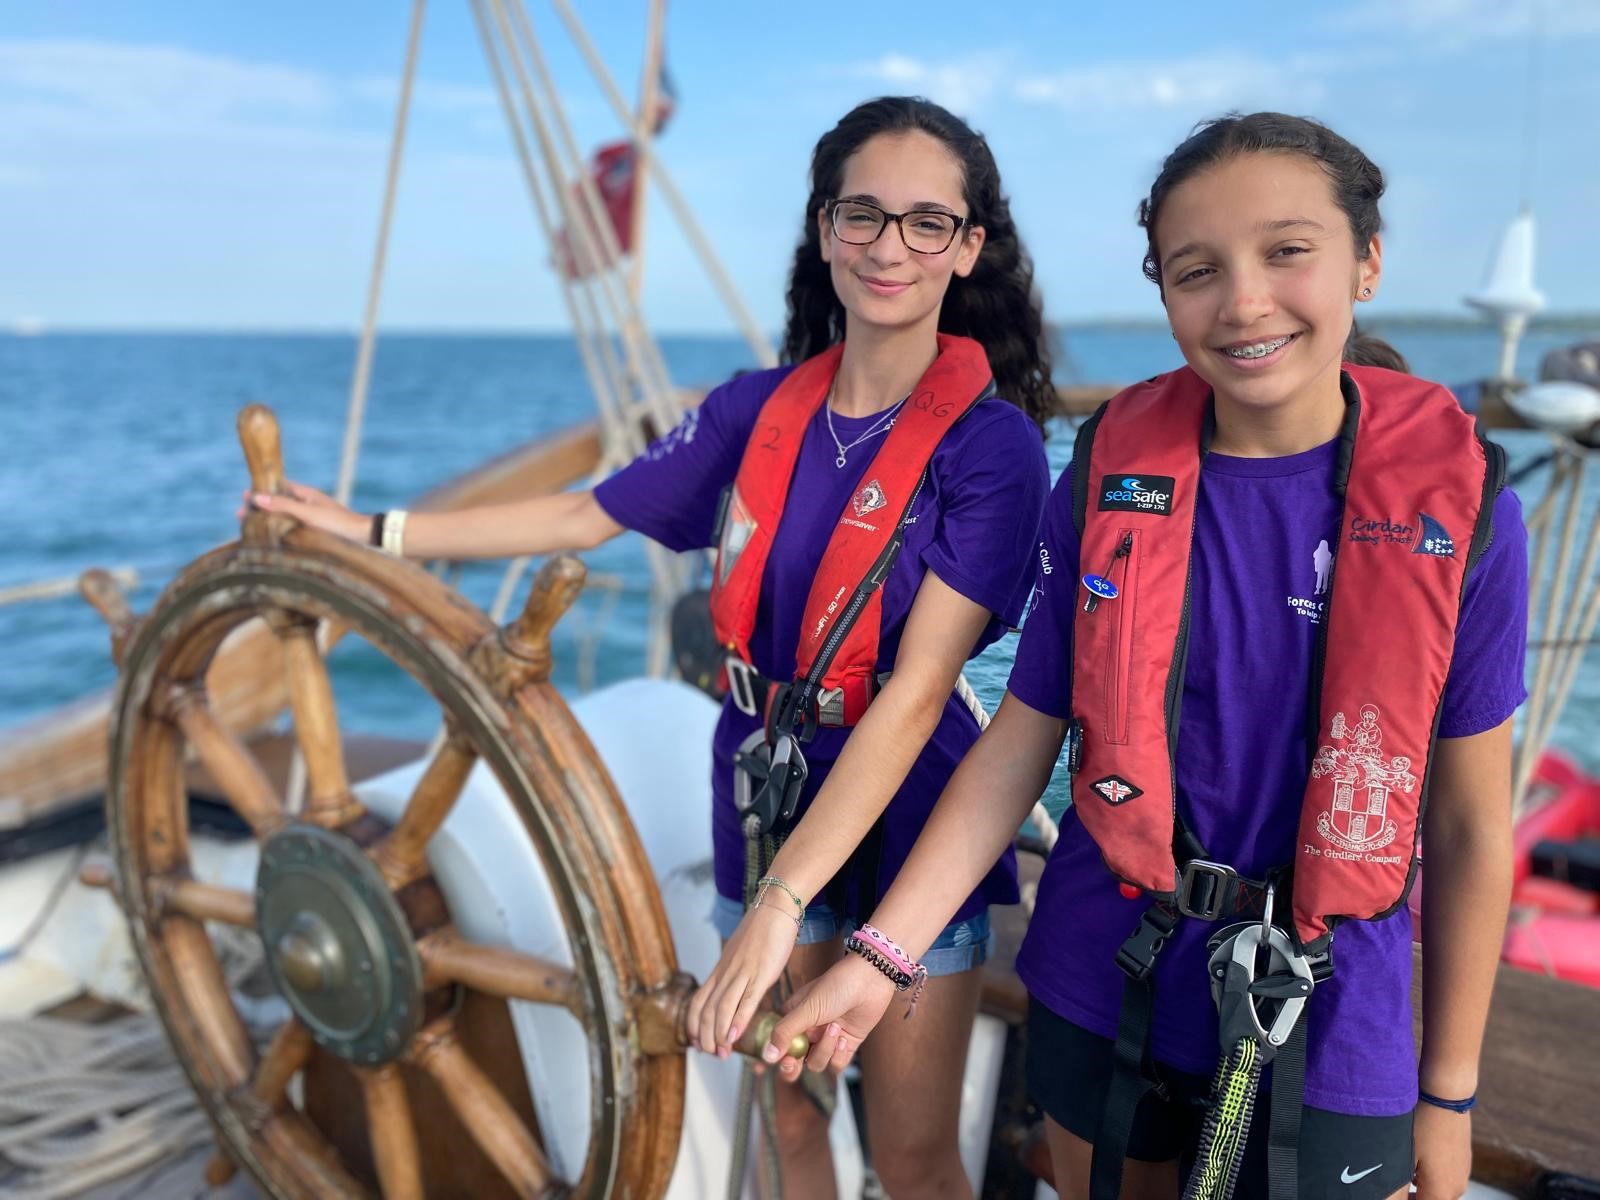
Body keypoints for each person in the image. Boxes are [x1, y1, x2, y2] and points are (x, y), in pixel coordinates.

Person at [250, 95, 1053, 1199]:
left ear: (965, 249)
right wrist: (375, 530)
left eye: (926, 222)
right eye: (863, 215)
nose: (888, 247)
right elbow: (586, 516)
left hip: (908, 805)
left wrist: (776, 912)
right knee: (785, 1107)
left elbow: (918, 692)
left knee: (915, 1153)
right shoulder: (751, 410)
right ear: (824, 230)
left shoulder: (992, 445)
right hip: (757, 779)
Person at [766, 112, 1527, 1200]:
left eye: (1286, 251)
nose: (1243, 300)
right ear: (1162, 291)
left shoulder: (1470, 513)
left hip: (1338, 1012)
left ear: (1365, 260)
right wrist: (881, 957)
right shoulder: (1109, 477)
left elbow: (1464, 824)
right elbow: (1020, 740)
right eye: (1196, 269)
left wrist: (1447, 1096)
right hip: (1106, 972)